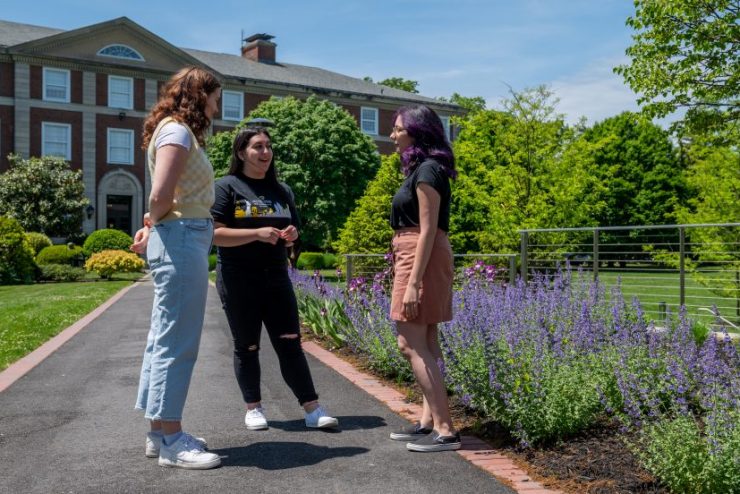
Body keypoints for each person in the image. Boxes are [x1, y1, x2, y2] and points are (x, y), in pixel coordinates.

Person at [210, 126, 339, 431]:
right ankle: (253, 408)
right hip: (239, 278)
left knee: (290, 342)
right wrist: (255, 233)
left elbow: (294, 234)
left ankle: (312, 408)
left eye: (268, 146)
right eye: (258, 147)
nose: (265, 152)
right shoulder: (226, 187)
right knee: (247, 345)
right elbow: (214, 234)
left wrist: (293, 236)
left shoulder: (282, 191)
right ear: (241, 152)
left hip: (276, 277)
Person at [130, 66, 222, 469]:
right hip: (183, 236)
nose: (219, 105)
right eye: (216, 96)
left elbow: (162, 200)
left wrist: (155, 226)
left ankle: (158, 433)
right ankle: (172, 440)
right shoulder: (179, 131)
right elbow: (160, 195)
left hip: (180, 234)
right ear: (199, 95)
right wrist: (157, 223)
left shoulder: (174, 130)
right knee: (177, 342)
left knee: (163, 337)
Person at [386, 105, 460, 452]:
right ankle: (429, 421)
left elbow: (429, 229)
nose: (393, 135)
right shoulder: (425, 169)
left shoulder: (429, 170)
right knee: (427, 342)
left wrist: (414, 282)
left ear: (415, 131)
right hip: (418, 252)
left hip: (420, 254)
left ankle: (445, 430)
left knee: (410, 343)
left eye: (398, 129)